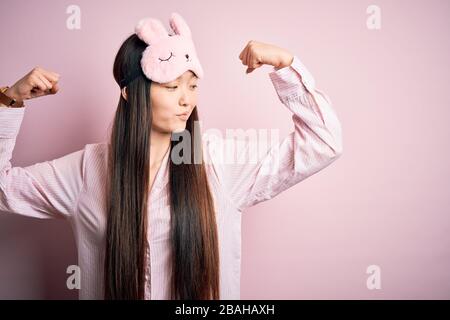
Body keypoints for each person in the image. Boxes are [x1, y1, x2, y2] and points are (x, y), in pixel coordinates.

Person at [0, 12, 343, 300]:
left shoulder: (218, 161)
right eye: (170, 87)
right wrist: (9, 101)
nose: (186, 100)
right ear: (130, 94)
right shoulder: (87, 171)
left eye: (192, 85)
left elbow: (323, 143)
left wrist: (286, 66)